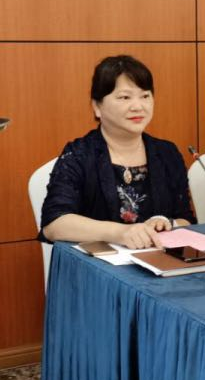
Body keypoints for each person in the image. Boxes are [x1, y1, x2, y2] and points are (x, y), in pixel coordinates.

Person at [40, 55, 196, 249]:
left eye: (145, 96)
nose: (138, 106)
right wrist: (120, 233)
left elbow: (186, 219)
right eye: (125, 97)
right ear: (97, 107)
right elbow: (54, 224)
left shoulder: (166, 153)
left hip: (157, 261)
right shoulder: (80, 155)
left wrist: (166, 223)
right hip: (100, 263)